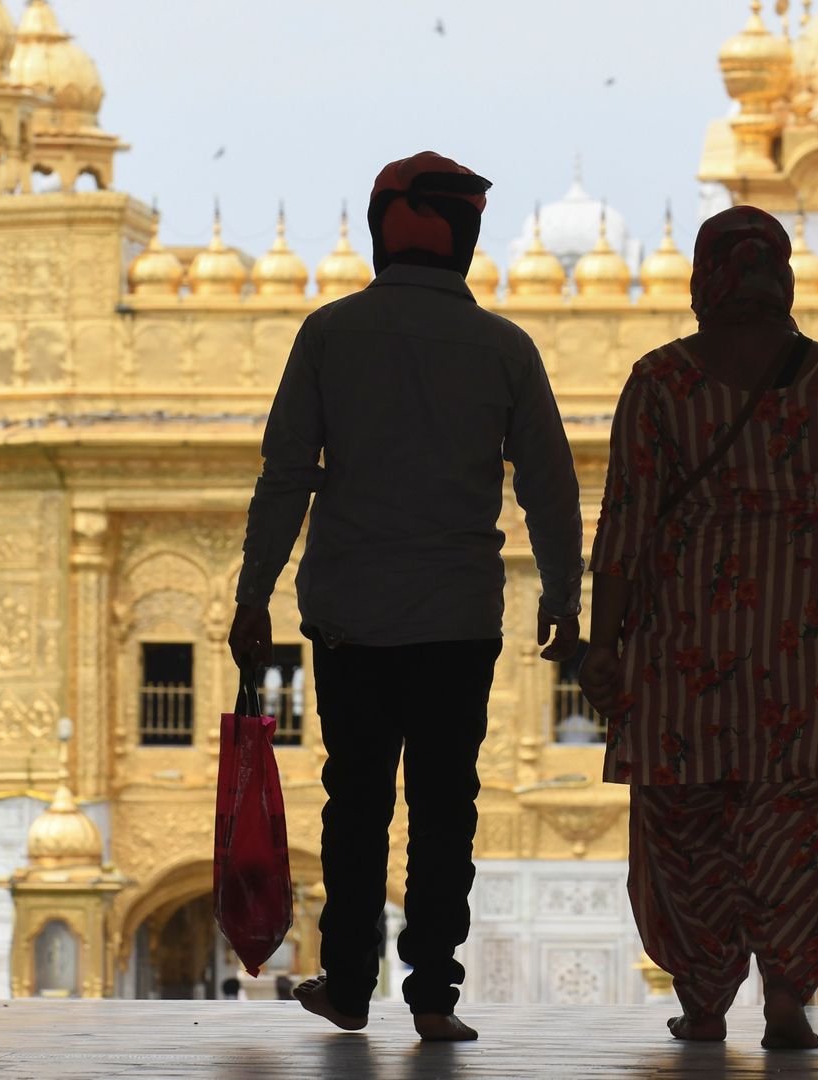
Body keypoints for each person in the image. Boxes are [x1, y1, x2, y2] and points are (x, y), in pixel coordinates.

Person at [229, 151, 584, 1042]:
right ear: (464, 242)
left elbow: (285, 477)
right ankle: (433, 996)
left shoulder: (329, 334)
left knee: (354, 805)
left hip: (351, 614)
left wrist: (252, 594)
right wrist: (563, 594)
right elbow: (550, 483)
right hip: (458, 619)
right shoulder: (504, 348)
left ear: (377, 230)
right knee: (444, 808)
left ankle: (348, 985)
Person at [578, 205, 818, 1050]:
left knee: (686, 830)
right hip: (807, 647)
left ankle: (707, 1000)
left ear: (705, 280)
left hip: (685, 649)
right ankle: (788, 998)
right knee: (796, 826)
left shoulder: (661, 382)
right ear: (783, 277)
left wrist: (602, 644)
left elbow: (621, 529)